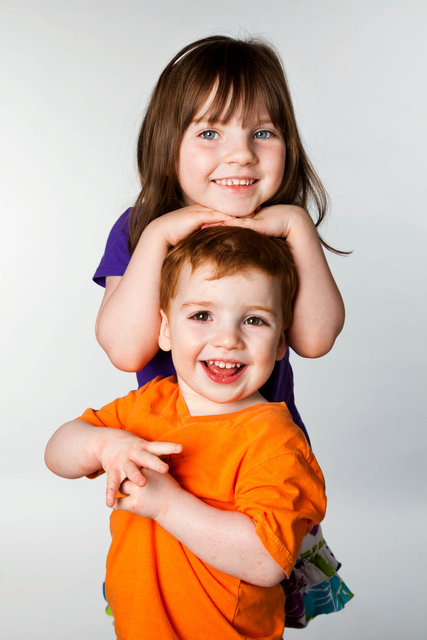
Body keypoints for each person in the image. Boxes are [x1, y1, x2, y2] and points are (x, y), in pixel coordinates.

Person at [93, 35, 353, 626]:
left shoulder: (285, 230)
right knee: (165, 594)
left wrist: (295, 227)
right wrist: (159, 236)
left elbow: (314, 338)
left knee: (243, 598)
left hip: (254, 459)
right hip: (172, 457)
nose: (240, 155)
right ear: (168, 147)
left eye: (262, 133)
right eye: (210, 133)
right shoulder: (139, 230)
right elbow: (123, 347)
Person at [45, 226, 327, 639]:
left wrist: (167, 506)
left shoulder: (274, 440)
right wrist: (105, 444)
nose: (227, 338)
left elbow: (268, 560)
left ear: (281, 341)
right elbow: (57, 453)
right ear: (164, 330)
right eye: (201, 316)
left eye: (253, 320)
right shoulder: (148, 405)